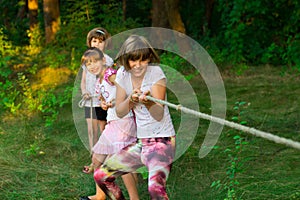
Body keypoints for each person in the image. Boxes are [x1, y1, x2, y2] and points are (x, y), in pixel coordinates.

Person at [93, 35, 176, 200]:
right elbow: (120, 111)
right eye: (133, 61)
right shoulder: (123, 74)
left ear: (149, 58)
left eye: (143, 60)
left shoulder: (156, 73)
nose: (138, 66)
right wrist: (130, 100)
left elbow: (159, 115)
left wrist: (148, 103)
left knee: (155, 190)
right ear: (126, 60)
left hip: (162, 141)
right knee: (101, 176)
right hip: (141, 142)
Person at [80, 47, 139, 200]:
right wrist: (104, 104)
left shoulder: (109, 74)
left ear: (103, 60)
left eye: (95, 62)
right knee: (96, 159)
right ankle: (101, 194)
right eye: (88, 64)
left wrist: (118, 100)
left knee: (121, 163)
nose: (92, 66)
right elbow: (102, 98)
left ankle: (134, 198)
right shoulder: (98, 81)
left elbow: (124, 87)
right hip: (113, 122)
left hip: (124, 121)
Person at [81, 27, 114, 150]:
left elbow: (109, 81)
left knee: (104, 130)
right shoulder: (87, 59)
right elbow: (83, 80)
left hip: (102, 101)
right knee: (91, 130)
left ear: (105, 44)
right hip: (90, 100)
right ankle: (93, 158)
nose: (97, 44)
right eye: (94, 41)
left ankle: (105, 156)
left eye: (101, 41)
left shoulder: (107, 60)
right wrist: (84, 92)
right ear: (90, 42)